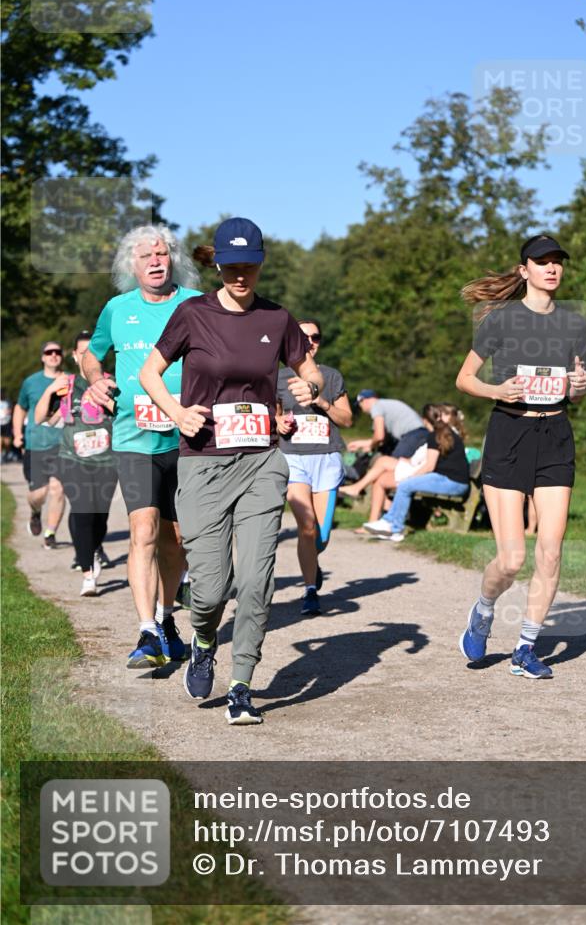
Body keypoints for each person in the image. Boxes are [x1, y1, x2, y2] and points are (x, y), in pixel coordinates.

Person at [140, 217, 324, 726]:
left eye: (250, 265)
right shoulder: (191, 314)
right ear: (217, 264)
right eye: (232, 265)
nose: (241, 274)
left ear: (260, 264)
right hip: (202, 462)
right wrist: (177, 414)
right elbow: (148, 372)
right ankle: (202, 640)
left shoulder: (278, 318)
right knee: (212, 587)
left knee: (257, 578)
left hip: (263, 460)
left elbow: (305, 369)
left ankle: (242, 682)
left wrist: (309, 387)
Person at [455, 234, 586, 679]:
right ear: (523, 270)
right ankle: (484, 608)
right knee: (512, 559)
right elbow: (465, 379)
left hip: (555, 433)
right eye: (542, 261)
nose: (552, 268)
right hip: (509, 433)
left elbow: (577, 382)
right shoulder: (502, 320)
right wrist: (496, 389)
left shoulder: (575, 324)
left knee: (551, 553)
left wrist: (580, 386)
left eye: (557, 262)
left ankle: (525, 648)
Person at [82, 225, 201, 667]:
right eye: (145, 256)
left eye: (162, 254)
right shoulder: (117, 309)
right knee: (143, 531)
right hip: (134, 437)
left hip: (188, 437)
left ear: (173, 260)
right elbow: (91, 355)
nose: (155, 261)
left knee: (176, 540)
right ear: (130, 266)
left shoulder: (195, 305)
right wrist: (96, 381)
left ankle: (167, 618)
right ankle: (147, 631)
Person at [276, 319, 353, 615]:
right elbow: (274, 416)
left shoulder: (331, 377)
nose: (309, 342)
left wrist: (322, 402)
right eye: (302, 336)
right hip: (293, 458)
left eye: (315, 337)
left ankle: (312, 562)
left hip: (327, 459)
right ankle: (310, 591)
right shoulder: (277, 376)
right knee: (306, 527)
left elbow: (347, 420)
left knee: (321, 535)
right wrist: (278, 422)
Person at [34, 331, 117, 596]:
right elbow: (41, 419)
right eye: (82, 352)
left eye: (91, 352)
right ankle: (88, 574)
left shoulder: (110, 383)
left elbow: (124, 416)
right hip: (73, 459)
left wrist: (108, 399)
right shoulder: (65, 386)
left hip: (107, 461)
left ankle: (92, 550)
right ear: (73, 355)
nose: (86, 357)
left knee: (99, 517)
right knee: (81, 511)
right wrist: (50, 389)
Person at [362, 407, 470, 542]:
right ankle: (389, 523)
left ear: (424, 420)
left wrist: (410, 478)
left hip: (452, 482)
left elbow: (429, 466)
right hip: (454, 481)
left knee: (405, 485)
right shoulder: (446, 433)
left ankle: (395, 529)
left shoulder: (435, 435)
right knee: (406, 485)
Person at [12, 342, 66, 547]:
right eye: (49, 352)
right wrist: (17, 434)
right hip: (36, 444)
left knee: (58, 489)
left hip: (62, 443)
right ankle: (35, 512)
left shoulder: (68, 380)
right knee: (38, 494)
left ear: (62, 356)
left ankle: (50, 534)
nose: (53, 355)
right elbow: (20, 408)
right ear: (42, 357)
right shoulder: (31, 382)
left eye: (57, 352)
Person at [348, 391, 423, 456]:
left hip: (412, 435)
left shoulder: (376, 406)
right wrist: (364, 444)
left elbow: (379, 436)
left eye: (360, 405)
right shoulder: (385, 404)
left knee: (394, 464)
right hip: (420, 433)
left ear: (363, 400)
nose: (361, 408)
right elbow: (382, 439)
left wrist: (370, 446)